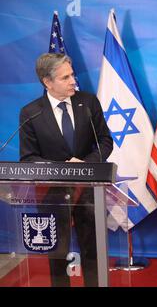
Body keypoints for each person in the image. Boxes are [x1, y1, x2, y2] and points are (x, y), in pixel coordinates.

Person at [19, 53, 113, 286]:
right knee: (58, 252)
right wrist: (61, 170)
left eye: (72, 74)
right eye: (65, 77)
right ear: (47, 82)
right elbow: (29, 159)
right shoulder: (31, 113)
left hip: (89, 190)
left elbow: (105, 141)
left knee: (92, 250)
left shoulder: (88, 102)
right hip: (52, 193)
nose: (73, 81)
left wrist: (86, 164)